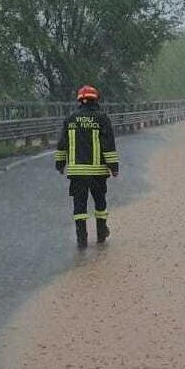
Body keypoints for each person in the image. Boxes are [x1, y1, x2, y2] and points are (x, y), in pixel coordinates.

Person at [54, 85, 119, 247]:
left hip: (77, 174)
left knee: (79, 208)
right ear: (95, 100)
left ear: (80, 101)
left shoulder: (70, 119)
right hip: (97, 173)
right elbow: (108, 145)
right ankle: (101, 235)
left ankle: (81, 240)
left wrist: (60, 164)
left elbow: (62, 144)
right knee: (100, 205)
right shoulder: (102, 118)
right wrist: (114, 166)